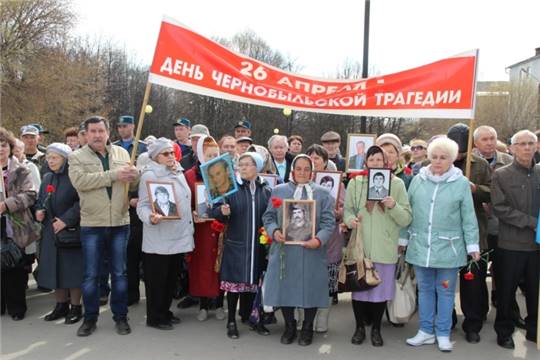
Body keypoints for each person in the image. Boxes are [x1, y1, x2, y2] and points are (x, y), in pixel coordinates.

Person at [403, 137, 480, 352]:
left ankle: (443, 333)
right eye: (434, 157)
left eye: (443, 157)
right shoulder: (418, 180)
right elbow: (408, 210)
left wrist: (472, 244)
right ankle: (426, 331)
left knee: (445, 292)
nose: (438, 161)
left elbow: (468, 216)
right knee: (425, 290)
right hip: (421, 246)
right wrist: (403, 238)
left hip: (449, 248)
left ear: (452, 160)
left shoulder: (461, 183)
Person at [68, 116, 139, 337]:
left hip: (119, 221)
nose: (97, 135)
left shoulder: (123, 154)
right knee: (91, 275)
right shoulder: (76, 157)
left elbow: (130, 184)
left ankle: (121, 316)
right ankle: (90, 318)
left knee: (120, 273)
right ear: (86, 134)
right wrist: (114, 175)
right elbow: (81, 182)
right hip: (92, 223)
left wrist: (135, 176)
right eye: (93, 131)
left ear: (108, 132)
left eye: (101, 130)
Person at [262, 154, 336, 346]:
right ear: (292, 170)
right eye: (299, 168)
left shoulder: (323, 194)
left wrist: (319, 240)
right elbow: (268, 217)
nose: (302, 172)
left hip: (312, 251)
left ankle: (308, 327)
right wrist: (274, 231)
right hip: (285, 250)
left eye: (306, 169)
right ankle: (290, 326)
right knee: (285, 287)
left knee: (310, 289)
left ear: (312, 171)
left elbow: (329, 223)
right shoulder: (279, 190)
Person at [344, 145, 412, 347]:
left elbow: (406, 218)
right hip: (361, 245)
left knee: (380, 292)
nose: (376, 163)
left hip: (385, 245)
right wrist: (350, 221)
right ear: (366, 162)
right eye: (371, 159)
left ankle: (376, 329)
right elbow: (348, 210)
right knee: (359, 289)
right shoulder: (356, 183)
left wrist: (393, 206)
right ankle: (358, 328)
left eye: (379, 160)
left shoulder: (397, 184)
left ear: (386, 163)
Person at [211, 152, 272, 339]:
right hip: (236, 245)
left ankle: (253, 319)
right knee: (234, 287)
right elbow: (213, 209)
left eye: (247, 164)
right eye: (240, 164)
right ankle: (231, 321)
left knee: (255, 286)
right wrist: (221, 210)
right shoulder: (231, 189)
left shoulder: (267, 190)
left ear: (258, 167)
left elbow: (271, 216)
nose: (242, 168)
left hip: (258, 247)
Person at [137, 138, 194, 330]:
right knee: (157, 280)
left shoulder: (178, 171)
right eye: (166, 154)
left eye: (172, 152)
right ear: (155, 157)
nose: (171, 156)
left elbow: (183, 199)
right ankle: (155, 317)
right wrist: (149, 216)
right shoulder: (150, 175)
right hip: (160, 238)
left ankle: (165, 311)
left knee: (171, 278)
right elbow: (142, 205)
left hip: (179, 235)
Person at [491, 130, 539, 349]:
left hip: (536, 246)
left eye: (531, 143)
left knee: (534, 291)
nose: (527, 148)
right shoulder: (501, 174)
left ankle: (533, 330)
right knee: (506, 290)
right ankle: (504, 331)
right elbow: (501, 209)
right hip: (511, 244)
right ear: (511, 148)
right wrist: (532, 222)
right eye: (522, 144)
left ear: (537, 146)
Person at [446, 123, 493, 342]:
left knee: (472, 282)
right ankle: (447, 319)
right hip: (446, 233)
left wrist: (475, 189)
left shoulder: (481, 165)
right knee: (445, 281)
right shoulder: (439, 162)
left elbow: (493, 193)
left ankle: (472, 324)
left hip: (473, 232)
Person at [36, 143, 83, 325]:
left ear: (65, 158)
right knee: (55, 270)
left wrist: (66, 220)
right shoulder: (47, 178)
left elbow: (82, 202)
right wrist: (39, 211)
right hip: (50, 230)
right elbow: (41, 200)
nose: (50, 160)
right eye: (48, 157)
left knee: (72, 270)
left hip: (70, 230)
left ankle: (75, 307)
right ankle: (60, 305)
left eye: (54, 157)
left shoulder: (74, 176)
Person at [184, 135, 225, 321]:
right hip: (200, 230)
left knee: (220, 264)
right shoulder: (190, 175)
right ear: (200, 154)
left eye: (216, 154)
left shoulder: (224, 173)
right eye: (209, 155)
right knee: (202, 265)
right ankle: (203, 304)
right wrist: (192, 212)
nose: (212, 158)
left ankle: (218, 304)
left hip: (220, 228)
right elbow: (184, 201)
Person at [0, 127, 38, 321]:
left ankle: (17, 308)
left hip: (16, 225)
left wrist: (7, 205)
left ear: (10, 146)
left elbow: (30, 195)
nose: (0, 149)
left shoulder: (21, 169)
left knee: (15, 266)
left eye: (3, 145)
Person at [306, 144, 345, 332]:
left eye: (317, 158)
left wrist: (338, 212)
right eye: (310, 158)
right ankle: (304, 317)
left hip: (330, 241)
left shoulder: (337, 183)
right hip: (306, 239)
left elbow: (344, 210)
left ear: (324, 162)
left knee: (327, 280)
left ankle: (322, 317)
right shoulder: (300, 183)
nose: (313, 161)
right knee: (306, 279)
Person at [113, 115, 148, 307]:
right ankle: (131, 293)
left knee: (145, 253)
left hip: (142, 201)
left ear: (133, 126)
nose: (121, 129)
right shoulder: (115, 149)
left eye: (125, 125)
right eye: (119, 126)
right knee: (129, 254)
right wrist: (127, 199)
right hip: (124, 203)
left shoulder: (143, 148)